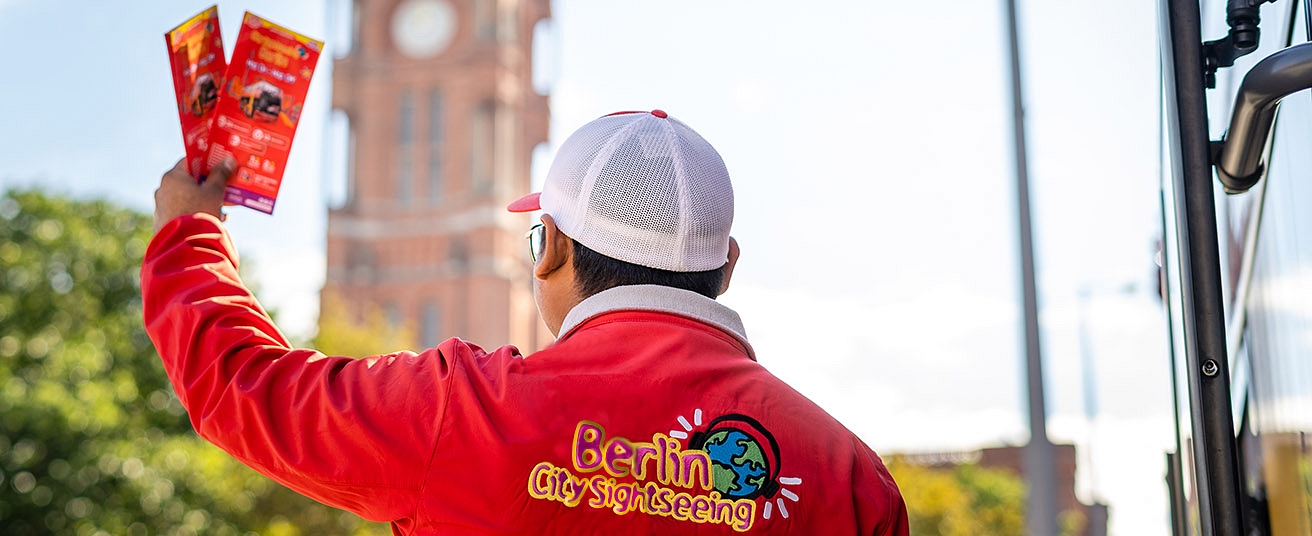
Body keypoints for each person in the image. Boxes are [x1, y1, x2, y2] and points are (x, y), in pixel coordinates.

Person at [145, 110, 908, 535]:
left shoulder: (461, 409)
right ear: (726, 265)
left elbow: (243, 388)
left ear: (552, 252)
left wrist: (190, 232)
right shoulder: (850, 479)